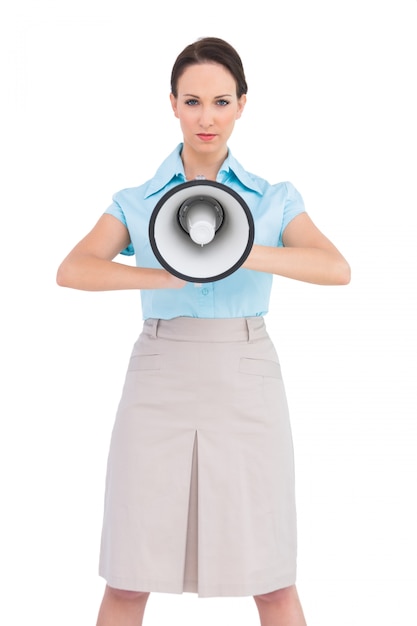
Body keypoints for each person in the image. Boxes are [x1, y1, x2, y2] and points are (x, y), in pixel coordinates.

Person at [57, 36, 350, 626]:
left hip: (246, 379)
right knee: (129, 576)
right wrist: (160, 274)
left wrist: (246, 252)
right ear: (172, 104)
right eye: (192, 101)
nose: (207, 117)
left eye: (221, 101)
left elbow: (335, 268)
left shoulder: (275, 199)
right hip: (159, 377)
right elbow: (72, 269)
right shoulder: (137, 201)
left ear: (243, 104)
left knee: (270, 580)